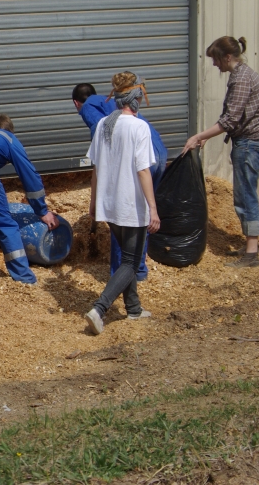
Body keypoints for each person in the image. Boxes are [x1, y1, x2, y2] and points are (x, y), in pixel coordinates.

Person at [84, 73, 160, 336]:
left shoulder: (103, 124)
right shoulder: (139, 127)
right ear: (136, 98)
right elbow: (143, 170)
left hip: (110, 204)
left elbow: (95, 169)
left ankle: (134, 308)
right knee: (131, 262)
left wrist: (94, 203)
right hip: (130, 204)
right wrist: (153, 208)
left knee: (128, 257)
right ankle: (99, 309)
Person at [182, 36, 259, 269]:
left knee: (245, 195)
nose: (214, 64)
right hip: (248, 142)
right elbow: (230, 118)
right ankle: (250, 246)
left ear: (228, 57)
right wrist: (206, 137)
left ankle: (252, 253)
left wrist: (199, 136)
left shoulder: (241, 79)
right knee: (244, 194)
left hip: (249, 144)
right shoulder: (241, 74)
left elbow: (230, 120)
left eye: (216, 59)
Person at [72, 81, 168, 281]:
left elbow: (101, 140)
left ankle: (119, 274)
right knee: (141, 216)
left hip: (140, 159)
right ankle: (137, 271)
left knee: (121, 216)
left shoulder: (87, 107)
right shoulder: (110, 102)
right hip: (157, 152)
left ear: (76, 103)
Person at [0, 114, 59, 284]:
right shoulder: (9, 139)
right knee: (5, 224)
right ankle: (24, 277)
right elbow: (30, 176)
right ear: (9, 129)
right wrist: (42, 211)